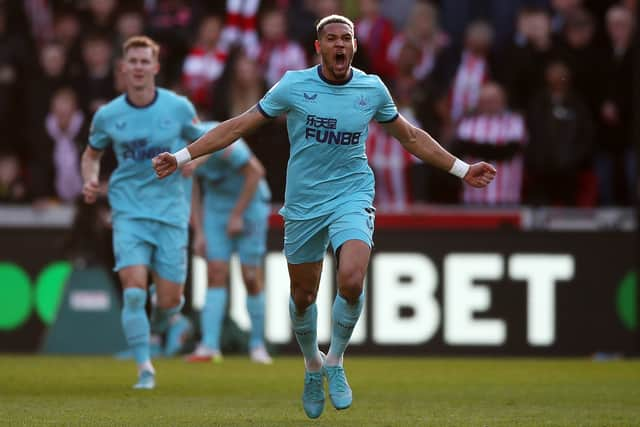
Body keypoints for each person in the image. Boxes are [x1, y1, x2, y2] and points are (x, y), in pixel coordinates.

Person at [153, 15, 496, 418]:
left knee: (351, 279)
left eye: (346, 38)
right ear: (319, 47)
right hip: (303, 204)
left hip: (352, 194)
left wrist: (461, 169)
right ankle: (312, 365)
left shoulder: (371, 89)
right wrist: (180, 157)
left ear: (354, 46)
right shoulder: (294, 86)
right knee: (303, 296)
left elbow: (411, 137)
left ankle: (334, 360)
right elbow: (239, 126)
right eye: (331, 39)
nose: (339, 45)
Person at [81, 35, 204, 390]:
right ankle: (144, 368)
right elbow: (91, 155)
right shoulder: (108, 115)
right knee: (134, 290)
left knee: (170, 300)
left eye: (143, 61)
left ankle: (166, 318)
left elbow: (207, 143)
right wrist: (90, 180)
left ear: (155, 67)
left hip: (170, 213)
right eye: (131, 61)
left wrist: (192, 160)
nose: (137, 67)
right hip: (128, 212)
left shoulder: (178, 108)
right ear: (123, 68)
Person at [184, 121, 272, 365]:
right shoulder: (179, 148)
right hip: (216, 209)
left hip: (249, 206)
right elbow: (193, 190)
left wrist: (237, 214)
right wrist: (199, 232)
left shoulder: (222, 139)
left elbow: (256, 172)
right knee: (215, 272)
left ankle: (257, 345)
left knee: (251, 277)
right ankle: (210, 346)